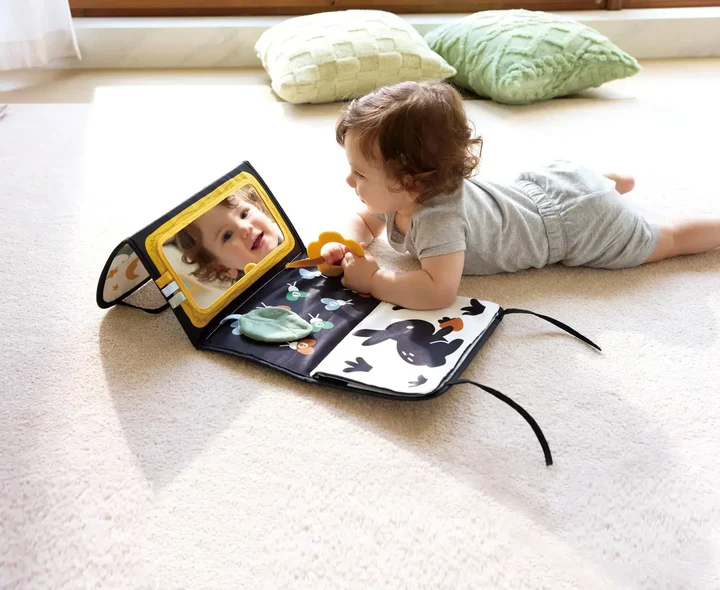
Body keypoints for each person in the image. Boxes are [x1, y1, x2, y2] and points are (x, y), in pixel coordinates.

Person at [320, 80, 720, 310]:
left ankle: (613, 191)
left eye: (360, 174)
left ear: (410, 181)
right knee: (587, 185)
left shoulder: (438, 219)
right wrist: (344, 244)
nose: (349, 181)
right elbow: (360, 221)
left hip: (580, 224)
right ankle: (610, 182)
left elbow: (437, 290)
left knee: (666, 240)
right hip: (549, 186)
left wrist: (376, 280)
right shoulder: (401, 194)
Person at [175, 184, 282, 286]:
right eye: (227, 235)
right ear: (221, 268)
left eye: (244, 214)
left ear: (257, 206)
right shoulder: (253, 296)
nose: (244, 228)